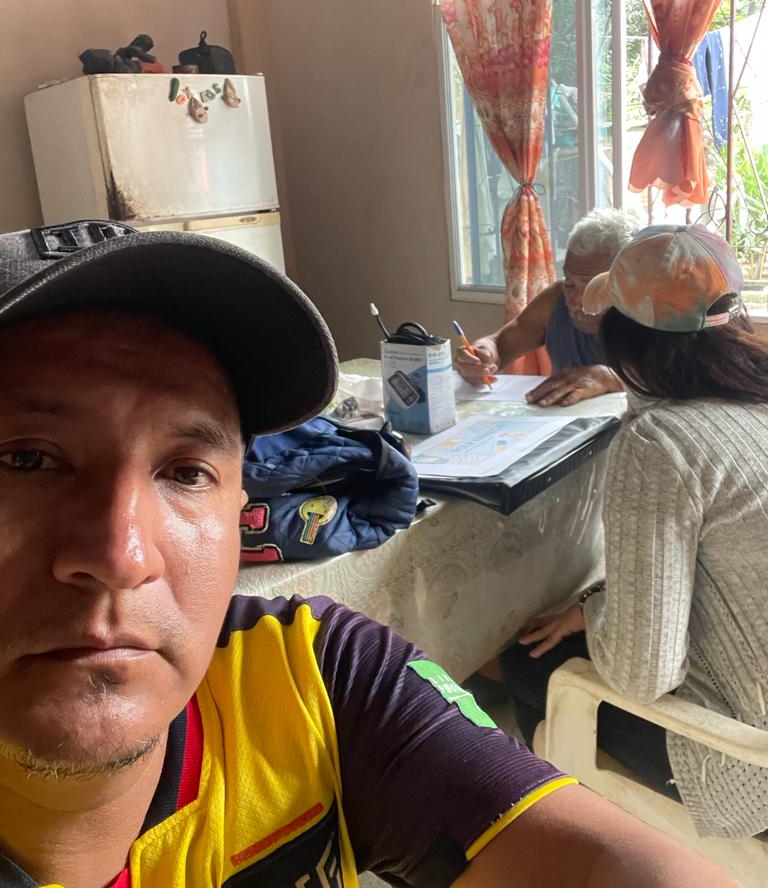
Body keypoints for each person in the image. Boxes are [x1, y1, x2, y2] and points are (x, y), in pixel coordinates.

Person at [0, 219, 736, 888]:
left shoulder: (309, 674)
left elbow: (597, 861)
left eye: (186, 471)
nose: (121, 554)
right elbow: (507, 341)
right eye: (25, 459)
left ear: (240, 506)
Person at [502, 224, 768, 840]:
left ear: (622, 339)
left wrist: (600, 611)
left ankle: (585, 842)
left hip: (748, 769)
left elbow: (643, 674)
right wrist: (599, 604)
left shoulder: (662, 442)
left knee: (524, 662)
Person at [455, 210, 636, 406]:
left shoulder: (649, 309)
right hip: (565, 419)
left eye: (591, 287)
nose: (573, 301)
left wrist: (610, 377)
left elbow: (663, 379)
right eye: (570, 284)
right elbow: (500, 344)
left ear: (627, 282)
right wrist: (482, 356)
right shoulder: (555, 299)